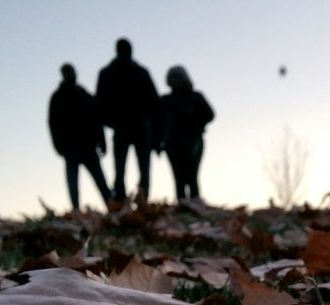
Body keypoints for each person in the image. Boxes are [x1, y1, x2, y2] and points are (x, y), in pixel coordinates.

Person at [95, 38, 157, 204]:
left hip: (122, 127)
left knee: (120, 169)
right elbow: (154, 102)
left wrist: (111, 123)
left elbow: (99, 105)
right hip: (139, 126)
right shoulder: (141, 72)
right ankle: (142, 202)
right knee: (143, 168)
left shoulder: (106, 73)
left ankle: (121, 203)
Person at [48, 64, 109, 212]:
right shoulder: (58, 97)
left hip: (88, 145)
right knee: (73, 183)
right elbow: (53, 123)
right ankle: (76, 210)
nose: (72, 75)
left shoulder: (83, 94)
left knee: (100, 180)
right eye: (68, 73)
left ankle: (111, 206)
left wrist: (102, 141)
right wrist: (59, 146)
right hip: (71, 147)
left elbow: (96, 118)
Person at [156, 65, 215, 202]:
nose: (174, 80)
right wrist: (158, 143)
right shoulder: (165, 101)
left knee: (192, 176)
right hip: (172, 145)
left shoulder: (195, 97)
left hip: (193, 142)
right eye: (172, 78)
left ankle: (195, 206)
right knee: (178, 178)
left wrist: (194, 122)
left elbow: (210, 115)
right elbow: (158, 123)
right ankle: (183, 206)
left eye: (177, 77)